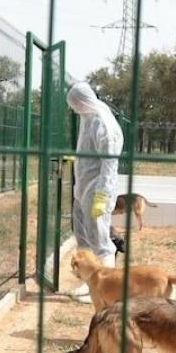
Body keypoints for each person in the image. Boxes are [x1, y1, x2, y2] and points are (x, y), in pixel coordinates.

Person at [66, 82, 123, 303]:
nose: (73, 109)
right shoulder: (88, 118)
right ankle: (90, 282)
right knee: (83, 236)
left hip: (97, 189)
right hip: (83, 188)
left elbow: (109, 163)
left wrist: (102, 195)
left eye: (74, 105)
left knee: (100, 239)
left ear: (81, 102)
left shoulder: (103, 122)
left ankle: (106, 287)